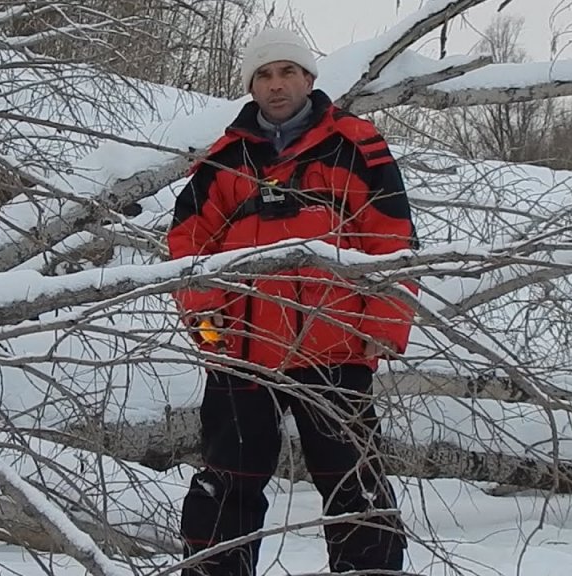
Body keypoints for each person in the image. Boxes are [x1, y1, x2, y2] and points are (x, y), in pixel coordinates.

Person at [167, 27, 418, 576]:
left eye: (287, 72)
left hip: (336, 348)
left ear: (308, 78)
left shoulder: (356, 145)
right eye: (263, 75)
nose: (276, 85)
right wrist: (207, 322)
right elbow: (186, 247)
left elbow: (392, 240)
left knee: (355, 480)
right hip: (242, 350)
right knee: (227, 480)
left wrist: (383, 326)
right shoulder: (224, 160)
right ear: (251, 86)